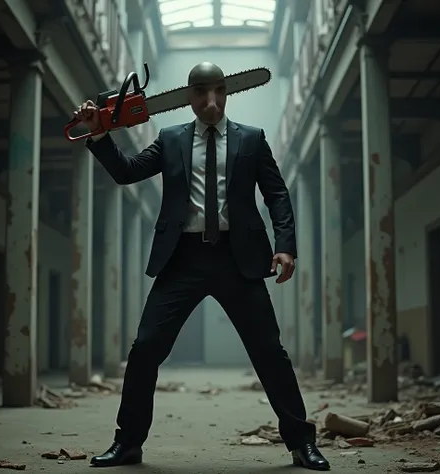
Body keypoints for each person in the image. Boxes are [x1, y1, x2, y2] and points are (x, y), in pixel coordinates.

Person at [73, 62, 330, 471]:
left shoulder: (252, 139)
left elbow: (277, 194)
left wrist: (285, 246)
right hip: (182, 259)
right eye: (201, 93)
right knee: (145, 350)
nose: (210, 102)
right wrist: (100, 132)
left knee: (269, 352)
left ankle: (302, 443)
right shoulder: (170, 139)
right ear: (189, 96)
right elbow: (127, 172)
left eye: (219, 92)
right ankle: (128, 444)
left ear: (227, 93)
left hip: (238, 258)